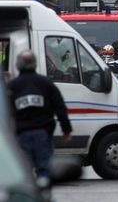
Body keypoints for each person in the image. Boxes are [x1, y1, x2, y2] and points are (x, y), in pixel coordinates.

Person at [8, 50, 72, 179]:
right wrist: (66, 131)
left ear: (18, 65)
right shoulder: (46, 84)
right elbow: (60, 108)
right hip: (42, 134)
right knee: (44, 171)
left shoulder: (12, 87)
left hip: (21, 136)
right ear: (35, 64)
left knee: (23, 173)